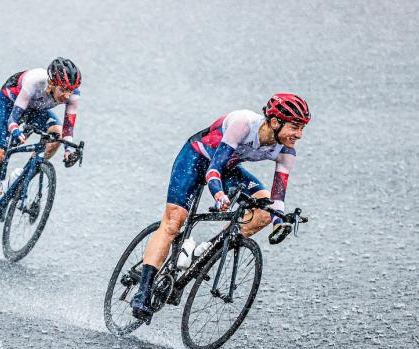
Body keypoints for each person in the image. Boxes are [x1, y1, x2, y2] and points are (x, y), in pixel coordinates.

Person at [131, 94, 311, 321]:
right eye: (295, 127)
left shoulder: (286, 151)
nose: (299, 135)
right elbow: (213, 170)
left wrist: (280, 222)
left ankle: (207, 251)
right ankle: (143, 291)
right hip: (197, 158)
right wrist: (219, 195)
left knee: (265, 209)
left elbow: (277, 199)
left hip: (227, 168)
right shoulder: (244, 123)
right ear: (275, 122)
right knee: (174, 222)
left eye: (302, 128)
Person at [0, 57, 82, 234]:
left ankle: (26, 173)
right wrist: (16, 130)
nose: (67, 95)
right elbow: (13, 119)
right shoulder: (35, 82)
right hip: (9, 103)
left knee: (56, 135)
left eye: (70, 91)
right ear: (51, 83)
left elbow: (68, 129)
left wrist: (68, 150)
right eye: (63, 90)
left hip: (36, 109)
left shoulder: (72, 94)